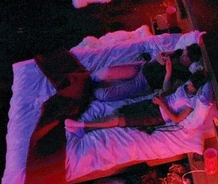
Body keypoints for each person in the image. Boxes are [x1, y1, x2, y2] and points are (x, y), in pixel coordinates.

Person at [64, 71, 209, 134]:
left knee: (119, 119)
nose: (189, 86)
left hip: (157, 115)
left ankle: (82, 125)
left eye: (192, 86)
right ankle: (85, 129)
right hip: (155, 103)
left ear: (198, 90)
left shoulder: (192, 103)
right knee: (119, 111)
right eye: (190, 83)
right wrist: (162, 94)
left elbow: (176, 119)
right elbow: (170, 91)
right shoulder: (185, 85)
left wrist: (162, 104)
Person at [91, 44, 203, 103]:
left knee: (105, 94)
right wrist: (161, 59)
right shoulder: (179, 52)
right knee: (107, 71)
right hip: (142, 66)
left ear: (192, 61)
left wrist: (168, 73)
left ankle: (89, 94)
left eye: (185, 56)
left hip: (146, 82)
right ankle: (88, 80)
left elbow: (167, 90)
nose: (182, 56)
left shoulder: (185, 75)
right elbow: (159, 55)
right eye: (183, 53)